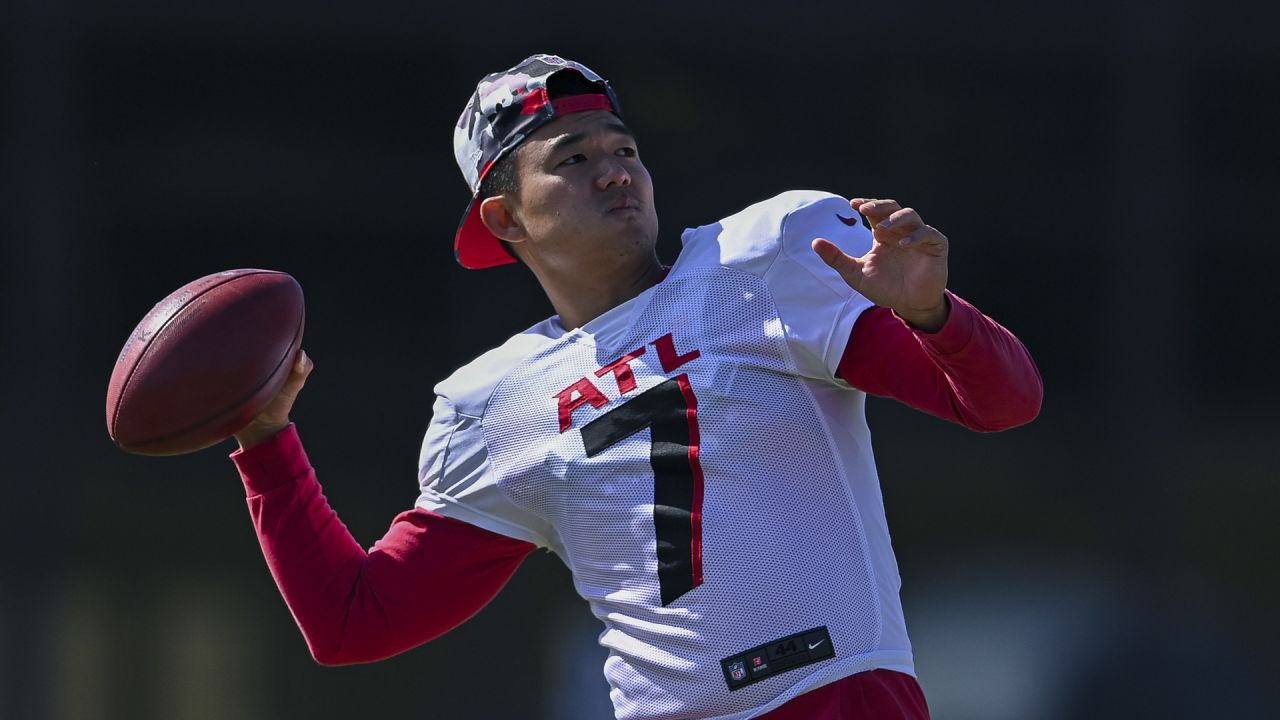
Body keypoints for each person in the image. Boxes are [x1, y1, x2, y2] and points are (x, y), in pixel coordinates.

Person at [230, 54, 1042, 720]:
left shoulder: (763, 263)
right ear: (505, 219)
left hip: (835, 696)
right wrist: (267, 441)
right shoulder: (497, 403)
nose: (615, 174)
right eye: (573, 161)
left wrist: (935, 314)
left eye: (623, 150)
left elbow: (1003, 404)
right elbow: (353, 623)